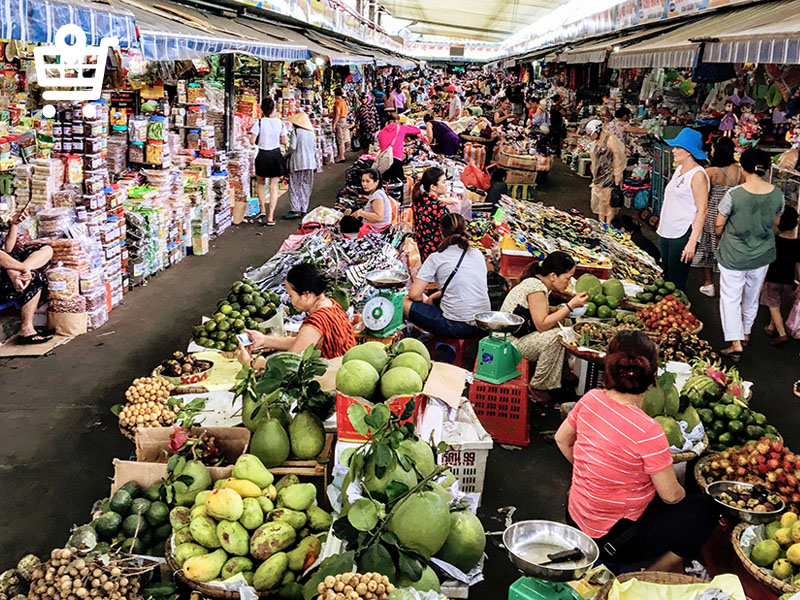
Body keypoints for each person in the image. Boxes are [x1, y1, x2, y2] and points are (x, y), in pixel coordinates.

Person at [555, 330, 717, 571]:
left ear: (609, 365)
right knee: (705, 509)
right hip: (615, 540)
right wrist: (682, 493)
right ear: (652, 375)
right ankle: (645, 578)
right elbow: (670, 496)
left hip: (576, 518)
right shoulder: (648, 430)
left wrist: (594, 473)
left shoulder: (591, 399)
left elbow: (562, 439)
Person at [716, 148, 785, 361]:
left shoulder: (734, 194)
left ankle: (735, 342)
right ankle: (746, 332)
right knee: (751, 296)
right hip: (762, 254)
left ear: (743, 168)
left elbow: (719, 224)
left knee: (730, 297)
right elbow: (776, 226)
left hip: (734, 254)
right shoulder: (777, 195)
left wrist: (722, 235)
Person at [500, 252, 588, 404]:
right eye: (567, 277)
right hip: (510, 342)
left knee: (565, 323)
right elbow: (542, 325)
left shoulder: (538, 285)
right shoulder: (536, 288)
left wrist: (560, 310)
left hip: (522, 333)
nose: (569, 282)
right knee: (556, 337)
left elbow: (540, 312)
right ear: (553, 275)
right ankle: (539, 387)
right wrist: (569, 306)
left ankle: (563, 371)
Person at [236, 263, 355, 363]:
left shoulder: (316, 322)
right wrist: (264, 340)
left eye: (291, 295)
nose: (289, 300)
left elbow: (288, 366)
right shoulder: (330, 304)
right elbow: (303, 342)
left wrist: (251, 363)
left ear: (306, 295)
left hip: (330, 380)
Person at [403, 213, 490, 339]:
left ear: (440, 232)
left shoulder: (436, 258)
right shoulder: (477, 254)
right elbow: (465, 285)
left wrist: (424, 301)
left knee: (401, 302)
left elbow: (414, 294)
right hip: (483, 324)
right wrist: (434, 296)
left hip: (456, 327)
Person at [656, 128, 709, 291]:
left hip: (682, 233)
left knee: (676, 282)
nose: (673, 150)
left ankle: (682, 312)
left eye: (678, 147)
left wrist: (692, 242)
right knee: (665, 277)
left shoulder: (698, 175)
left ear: (689, 152)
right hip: (666, 230)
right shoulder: (679, 169)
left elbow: (703, 210)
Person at [691, 137, 741, 296]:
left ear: (717, 151)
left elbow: (702, 196)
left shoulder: (711, 172)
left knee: (708, 248)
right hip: (733, 215)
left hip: (713, 214)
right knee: (728, 250)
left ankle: (709, 284)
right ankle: (728, 286)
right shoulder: (740, 170)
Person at [0, 208, 54, 344]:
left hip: (5, 264)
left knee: (46, 249)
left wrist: (14, 224)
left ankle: (23, 273)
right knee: (34, 278)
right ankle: (26, 329)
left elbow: (7, 249)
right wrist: (17, 268)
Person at [761, 207, 800, 346]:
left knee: (773, 305)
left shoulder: (774, 241)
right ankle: (771, 327)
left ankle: (782, 333)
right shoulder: (797, 244)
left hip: (773, 278)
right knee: (778, 303)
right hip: (788, 280)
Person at [250, 97, 288, 226]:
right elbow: (284, 141)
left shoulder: (259, 122)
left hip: (262, 154)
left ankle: (262, 210)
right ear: (274, 109)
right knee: (273, 186)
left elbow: (251, 140)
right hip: (275, 154)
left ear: (262, 109)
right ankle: (270, 217)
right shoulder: (280, 123)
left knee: (260, 183)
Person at [585, 119, 626, 226]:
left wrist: (617, 174)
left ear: (598, 131)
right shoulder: (596, 142)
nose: (590, 137)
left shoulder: (610, 140)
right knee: (600, 200)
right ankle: (601, 223)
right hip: (599, 175)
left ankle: (608, 225)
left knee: (608, 202)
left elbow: (617, 156)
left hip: (609, 175)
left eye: (591, 134)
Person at [412, 167, 451, 263]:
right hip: (437, 253)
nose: (446, 185)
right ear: (433, 187)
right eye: (443, 182)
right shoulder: (439, 207)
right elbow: (449, 232)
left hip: (423, 251)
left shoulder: (419, 201)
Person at [283, 112, 317, 220]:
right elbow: (314, 148)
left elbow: (292, 147)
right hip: (310, 163)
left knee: (294, 185)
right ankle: (304, 209)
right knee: (306, 185)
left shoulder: (296, 132)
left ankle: (294, 209)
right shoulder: (312, 133)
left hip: (298, 162)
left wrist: (286, 154)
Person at [376, 112, 420, 182]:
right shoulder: (401, 129)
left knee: (385, 184)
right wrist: (404, 125)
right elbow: (417, 130)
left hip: (385, 160)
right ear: (398, 121)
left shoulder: (381, 133)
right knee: (399, 184)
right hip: (396, 161)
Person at [351, 169, 396, 236]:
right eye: (363, 181)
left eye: (367, 181)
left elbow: (379, 217)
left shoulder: (377, 196)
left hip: (376, 232)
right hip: (377, 229)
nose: (364, 184)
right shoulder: (378, 192)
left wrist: (360, 213)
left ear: (376, 182)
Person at [332, 87, 349, 163]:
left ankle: (341, 156)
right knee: (342, 138)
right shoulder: (343, 101)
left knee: (340, 140)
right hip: (344, 120)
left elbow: (338, 114)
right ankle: (341, 155)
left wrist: (334, 125)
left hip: (339, 121)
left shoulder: (337, 102)